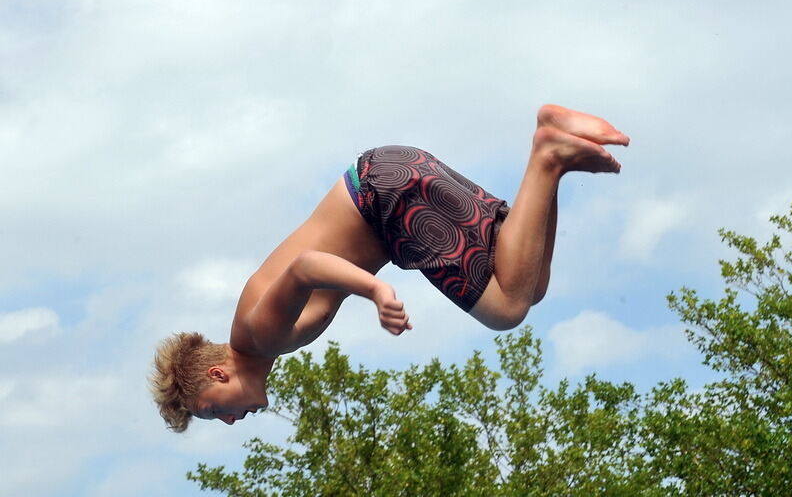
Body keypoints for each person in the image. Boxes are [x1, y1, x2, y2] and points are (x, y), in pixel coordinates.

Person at [150, 104, 629, 431]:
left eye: (214, 414)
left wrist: (374, 291)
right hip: (387, 180)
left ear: (217, 375)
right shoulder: (258, 337)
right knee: (527, 283)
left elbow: (305, 267)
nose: (231, 422)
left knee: (504, 309)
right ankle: (557, 150)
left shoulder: (260, 337)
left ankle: (548, 154)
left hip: (385, 201)